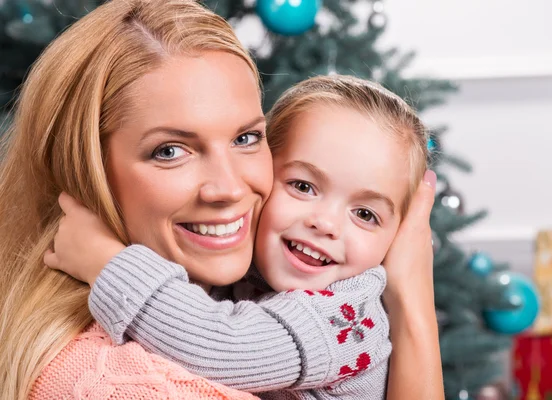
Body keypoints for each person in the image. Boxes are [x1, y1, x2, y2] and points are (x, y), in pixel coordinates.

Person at [0, 0, 442, 398]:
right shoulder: (105, 379)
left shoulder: (347, 317)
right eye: (170, 151)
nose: (230, 188)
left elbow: (227, 345)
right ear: (85, 167)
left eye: (245, 138)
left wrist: (108, 263)